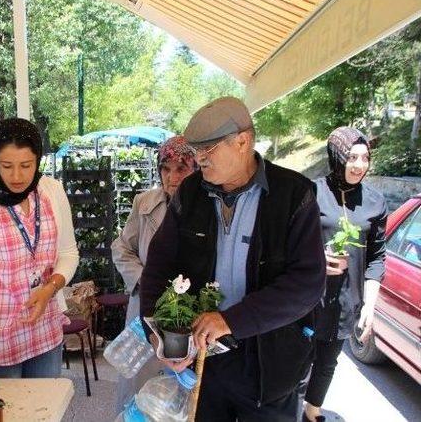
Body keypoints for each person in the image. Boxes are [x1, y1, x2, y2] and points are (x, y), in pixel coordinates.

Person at [139, 97, 327, 421]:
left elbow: (307, 285)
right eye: (196, 151)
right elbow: (158, 266)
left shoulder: (294, 194)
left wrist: (231, 320)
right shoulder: (190, 192)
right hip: (205, 363)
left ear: (242, 141)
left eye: (207, 152)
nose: (199, 160)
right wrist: (158, 334)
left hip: (270, 365)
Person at [0, 118, 78, 378]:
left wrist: (49, 289)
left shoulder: (51, 191)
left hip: (45, 331)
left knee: (45, 413)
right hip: (1, 340)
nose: (17, 176)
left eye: (26, 165)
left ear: (38, 160)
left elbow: (68, 255)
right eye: (7, 166)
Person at [302, 127, 387, 422]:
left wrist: (370, 306)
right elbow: (289, 245)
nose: (359, 165)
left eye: (365, 158)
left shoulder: (376, 203)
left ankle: (312, 412)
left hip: (344, 302)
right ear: (337, 156)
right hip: (305, 299)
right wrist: (317, 259)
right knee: (296, 361)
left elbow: (376, 259)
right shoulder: (311, 192)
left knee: (327, 362)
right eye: (352, 157)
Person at [111, 136, 197, 412]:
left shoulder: (206, 205)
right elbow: (122, 248)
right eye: (166, 168)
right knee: (141, 385)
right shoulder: (144, 202)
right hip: (146, 307)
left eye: (181, 168)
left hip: (188, 312)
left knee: (183, 390)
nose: (172, 177)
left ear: (195, 168)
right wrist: (144, 281)